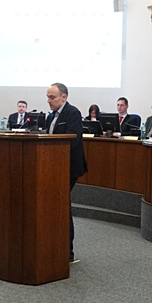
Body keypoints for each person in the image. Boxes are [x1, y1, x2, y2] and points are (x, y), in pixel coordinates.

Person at [46, 83, 88, 262]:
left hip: (68, 168)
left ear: (64, 97)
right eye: (48, 97)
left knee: (62, 204)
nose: (49, 101)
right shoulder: (50, 116)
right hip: (52, 167)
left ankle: (67, 252)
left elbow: (73, 140)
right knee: (57, 204)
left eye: (52, 97)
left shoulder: (73, 113)